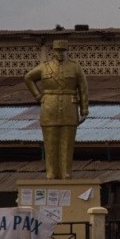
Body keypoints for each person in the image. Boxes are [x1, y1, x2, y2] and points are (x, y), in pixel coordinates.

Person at [24, 39, 89, 179]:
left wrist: (84, 110)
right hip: (49, 107)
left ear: (67, 52)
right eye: (57, 51)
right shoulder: (44, 67)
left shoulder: (75, 67)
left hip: (69, 107)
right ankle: (51, 172)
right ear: (53, 52)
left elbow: (83, 88)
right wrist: (38, 96)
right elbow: (28, 78)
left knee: (67, 143)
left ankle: (66, 172)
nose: (60, 54)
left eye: (63, 51)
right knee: (50, 143)